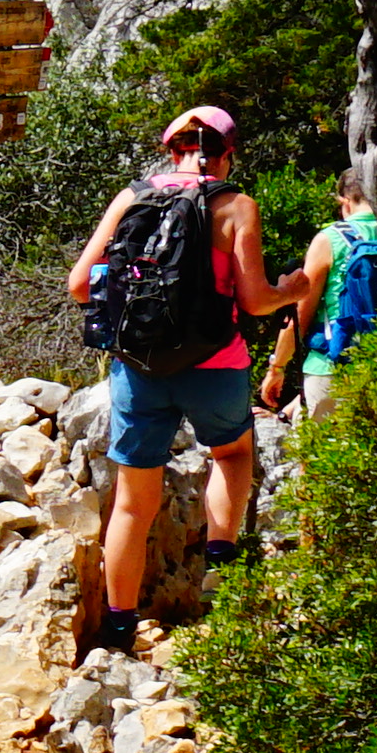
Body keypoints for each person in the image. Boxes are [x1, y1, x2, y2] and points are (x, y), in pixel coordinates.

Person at [58, 104, 288, 662]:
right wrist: (296, 289)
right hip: (216, 363)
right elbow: (256, 301)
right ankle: (220, 564)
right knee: (232, 455)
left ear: (171, 151)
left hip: (139, 367)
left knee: (133, 503)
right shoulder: (236, 206)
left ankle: (117, 629)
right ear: (227, 154)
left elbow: (79, 286)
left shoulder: (132, 198)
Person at [275, 171, 377, 416]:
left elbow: (301, 315)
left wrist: (277, 367)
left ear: (344, 201)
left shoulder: (331, 238)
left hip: (331, 365)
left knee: (319, 450)